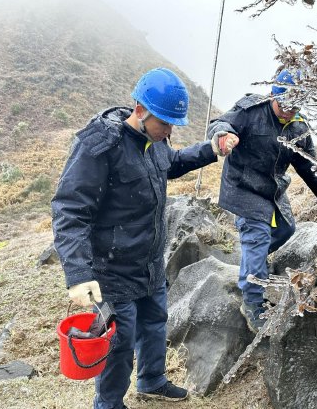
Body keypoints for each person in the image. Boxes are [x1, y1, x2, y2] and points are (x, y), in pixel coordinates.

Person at [51, 67, 238, 409]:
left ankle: (152, 380)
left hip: (150, 260)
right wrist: (78, 275)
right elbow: (69, 210)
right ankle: (109, 404)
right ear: (141, 110)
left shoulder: (154, 141)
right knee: (119, 343)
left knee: (154, 322)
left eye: (171, 124)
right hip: (111, 267)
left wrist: (212, 149)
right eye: (164, 123)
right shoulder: (101, 145)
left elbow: (174, 162)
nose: (169, 131)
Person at [207, 68, 317, 333]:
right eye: (284, 104)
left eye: (294, 106)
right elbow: (220, 123)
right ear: (273, 95)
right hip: (243, 187)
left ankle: (252, 262)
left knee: (286, 229)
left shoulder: (299, 128)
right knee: (257, 236)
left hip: (272, 190)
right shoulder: (251, 110)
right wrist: (223, 135)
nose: (288, 111)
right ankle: (253, 304)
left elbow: (310, 169)